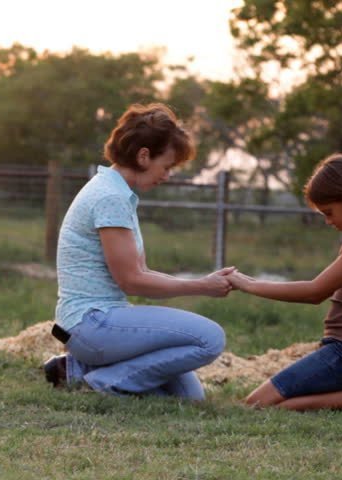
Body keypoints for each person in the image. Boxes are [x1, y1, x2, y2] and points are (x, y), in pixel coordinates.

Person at [43, 103, 234, 400]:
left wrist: (202, 281)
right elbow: (132, 282)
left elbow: (140, 273)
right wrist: (201, 287)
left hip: (104, 319)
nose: (167, 175)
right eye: (167, 166)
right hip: (91, 322)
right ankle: (100, 383)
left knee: (188, 397)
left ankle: (74, 371)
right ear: (144, 156)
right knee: (210, 338)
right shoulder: (109, 197)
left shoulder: (118, 193)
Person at [225, 154, 342, 412]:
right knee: (262, 403)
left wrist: (247, 285)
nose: (328, 221)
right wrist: (246, 279)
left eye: (329, 212)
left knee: (258, 404)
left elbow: (315, 291)